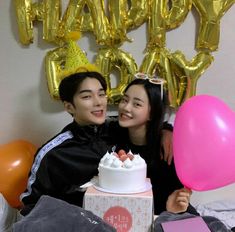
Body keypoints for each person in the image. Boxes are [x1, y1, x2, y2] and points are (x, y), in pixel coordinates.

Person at [20, 68, 173, 216]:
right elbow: (30, 205)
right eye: (87, 97)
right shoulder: (54, 153)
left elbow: (146, 123)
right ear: (69, 106)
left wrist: (167, 131)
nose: (98, 102)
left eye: (101, 94)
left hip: (129, 217)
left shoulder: (117, 128)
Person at [113, 75, 197, 215]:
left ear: (152, 113)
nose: (126, 107)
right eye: (124, 100)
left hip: (170, 214)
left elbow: (179, 194)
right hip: (127, 215)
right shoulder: (112, 135)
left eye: (137, 104)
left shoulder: (167, 147)